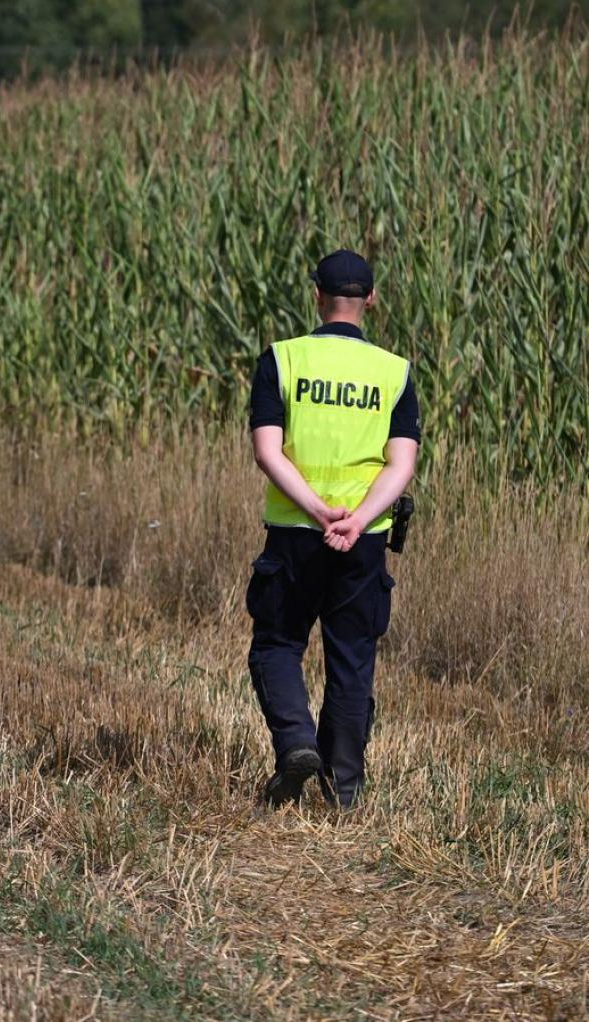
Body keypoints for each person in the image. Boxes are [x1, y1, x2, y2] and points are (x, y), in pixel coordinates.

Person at [246, 249, 420, 810]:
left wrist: (318, 511)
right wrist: (360, 518)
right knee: (351, 659)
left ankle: (296, 741)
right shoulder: (394, 372)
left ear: (316, 294)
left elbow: (267, 452)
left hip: (297, 532)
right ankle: (341, 790)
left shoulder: (282, 359)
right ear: (371, 299)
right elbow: (402, 464)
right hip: (362, 541)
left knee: (276, 644)